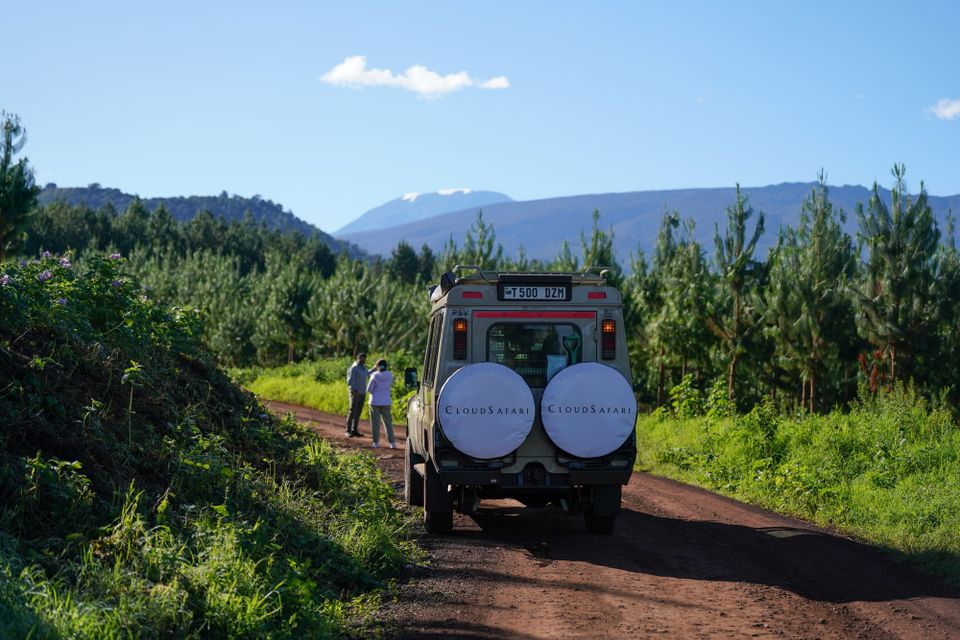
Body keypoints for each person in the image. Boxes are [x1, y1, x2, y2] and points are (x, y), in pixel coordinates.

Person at [366, 358, 397, 449]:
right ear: (386, 366)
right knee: (388, 423)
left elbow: (369, 389)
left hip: (374, 401)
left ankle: (376, 443)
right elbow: (391, 384)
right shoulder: (390, 375)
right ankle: (392, 443)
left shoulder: (374, 375)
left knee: (375, 423)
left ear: (377, 366)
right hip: (386, 401)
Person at [345, 353, 369, 437]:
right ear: (357, 358)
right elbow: (349, 381)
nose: (363, 360)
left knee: (358, 412)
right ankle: (348, 430)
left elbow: (368, 373)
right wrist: (355, 390)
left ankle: (354, 430)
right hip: (355, 393)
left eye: (364, 359)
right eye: (361, 358)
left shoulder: (363, 368)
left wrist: (375, 367)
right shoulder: (354, 368)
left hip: (362, 393)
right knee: (352, 411)